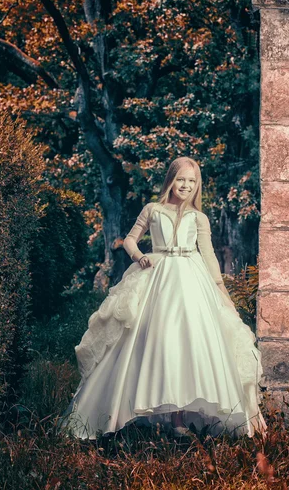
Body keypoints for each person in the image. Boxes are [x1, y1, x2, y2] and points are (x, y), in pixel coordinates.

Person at [59, 156, 267, 440]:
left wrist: (221, 290)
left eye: (192, 182)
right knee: (155, 338)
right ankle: (146, 407)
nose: (186, 186)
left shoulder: (198, 218)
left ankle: (182, 414)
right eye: (181, 180)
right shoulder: (153, 210)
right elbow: (130, 239)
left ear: (198, 186)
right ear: (170, 180)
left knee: (191, 340)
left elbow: (208, 255)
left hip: (192, 281)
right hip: (159, 277)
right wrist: (139, 256)